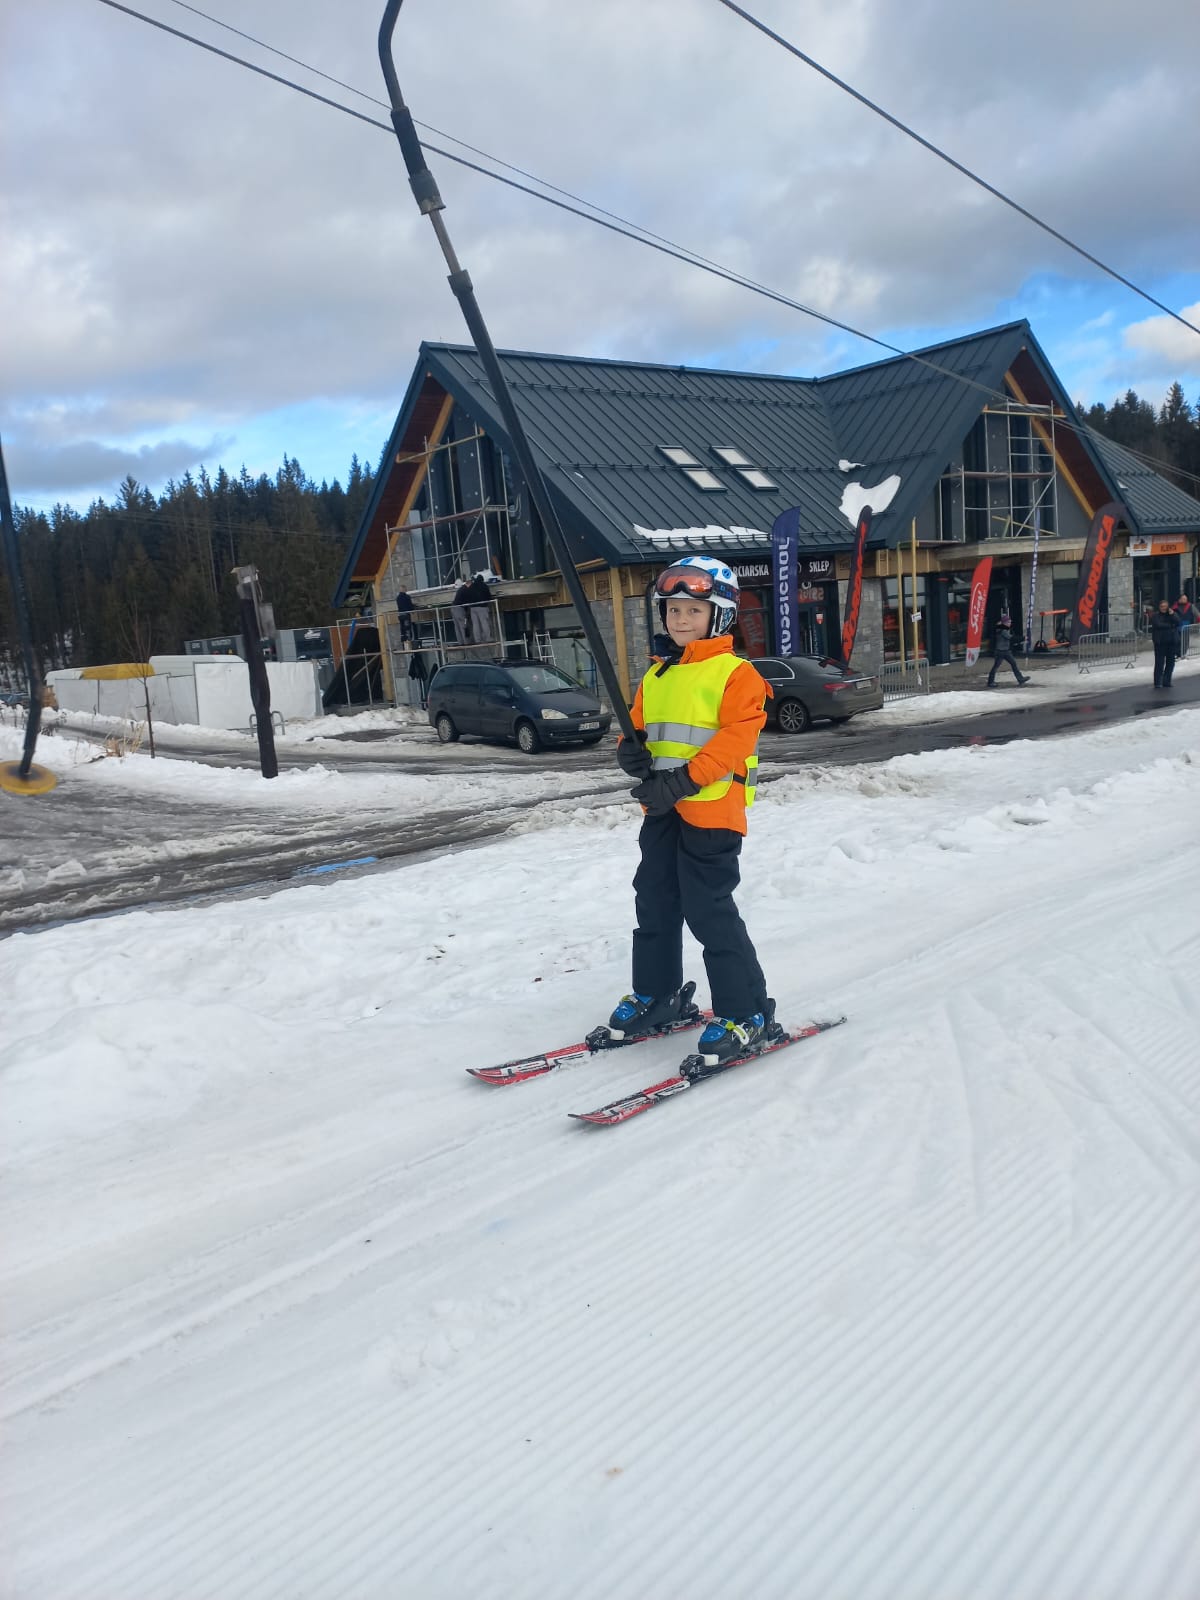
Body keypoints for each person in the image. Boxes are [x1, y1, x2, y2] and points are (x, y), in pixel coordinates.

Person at [608, 555, 778, 1075]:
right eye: (673, 609)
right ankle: (658, 994)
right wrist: (628, 752)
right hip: (662, 809)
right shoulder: (657, 674)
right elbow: (636, 728)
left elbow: (733, 742)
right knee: (654, 899)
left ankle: (745, 1012)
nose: (680, 619)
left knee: (708, 909)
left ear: (719, 615)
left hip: (711, 810)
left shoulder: (737, 674)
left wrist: (681, 782)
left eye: (693, 610)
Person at [986, 612, 1030, 687]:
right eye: (1008, 622)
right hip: (1000, 651)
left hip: (1005, 651)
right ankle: (990, 682)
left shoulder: (1003, 629)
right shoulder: (1002, 630)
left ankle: (1020, 679)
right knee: (996, 666)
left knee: (1013, 663)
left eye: (1010, 622)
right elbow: (1011, 638)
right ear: (1004, 623)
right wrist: (1023, 638)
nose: (1010, 623)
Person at [1150, 599, 1181, 687]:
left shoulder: (1171, 614)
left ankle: (1167, 681)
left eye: (1165, 606)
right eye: (1162, 606)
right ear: (1159, 607)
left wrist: (1173, 614)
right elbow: (1158, 625)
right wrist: (1170, 625)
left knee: (1170, 663)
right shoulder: (1156, 615)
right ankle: (1158, 682)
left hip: (1171, 642)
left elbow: (1178, 622)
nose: (1163, 608)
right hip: (1160, 642)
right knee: (1159, 663)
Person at [467, 573, 493, 643]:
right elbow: (489, 596)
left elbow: (468, 595)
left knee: (475, 624)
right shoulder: (484, 586)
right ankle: (488, 638)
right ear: (482, 580)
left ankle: (477, 640)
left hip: (473, 607)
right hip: (482, 607)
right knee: (484, 623)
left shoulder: (471, 586)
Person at [1172, 592, 1196, 657]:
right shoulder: (1174, 607)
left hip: (1186, 626)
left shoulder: (1190, 606)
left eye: (1185, 599)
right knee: (1177, 641)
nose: (1184, 600)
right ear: (1179, 599)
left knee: (1185, 642)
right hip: (1177, 626)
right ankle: (1178, 653)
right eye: (1183, 599)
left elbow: (1197, 614)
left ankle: (1183, 654)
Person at [450, 581, 471, 646]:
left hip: (453, 608)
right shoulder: (466, 590)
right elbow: (467, 601)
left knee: (457, 627)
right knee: (463, 626)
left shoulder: (460, 589)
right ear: (469, 584)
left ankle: (461, 642)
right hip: (460, 609)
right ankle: (466, 642)